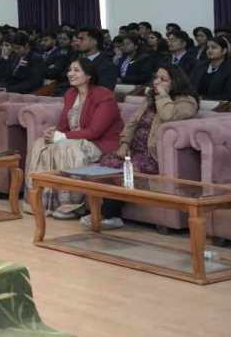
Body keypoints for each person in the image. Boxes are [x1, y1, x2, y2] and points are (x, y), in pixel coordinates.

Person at [84, 64, 199, 230]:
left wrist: (163, 95)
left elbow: (168, 115)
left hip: (153, 156)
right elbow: (133, 122)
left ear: (176, 82)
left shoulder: (186, 102)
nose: (157, 82)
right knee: (107, 163)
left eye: (163, 79)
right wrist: (124, 143)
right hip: (134, 151)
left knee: (125, 171)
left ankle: (108, 215)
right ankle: (108, 215)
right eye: (156, 78)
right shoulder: (150, 99)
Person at [25, 58, 122, 218]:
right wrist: (53, 132)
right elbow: (65, 125)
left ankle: (70, 206)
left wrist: (62, 136)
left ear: (89, 75)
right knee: (41, 143)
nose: (71, 74)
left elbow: (95, 131)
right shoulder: (71, 94)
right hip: (75, 139)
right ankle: (40, 202)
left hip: (100, 143)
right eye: (70, 70)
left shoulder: (104, 96)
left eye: (76, 70)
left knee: (65, 146)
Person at [190, 37, 231, 101]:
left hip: (218, 104)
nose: (209, 50)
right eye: (208, 48)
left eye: (214, 48)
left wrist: (205, 98)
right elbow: (190, 86)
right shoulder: (199, 66)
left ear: (224, 51)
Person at [73, 26, 118, 92]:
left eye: (81, 39)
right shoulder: (75, 60)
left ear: (94, 42)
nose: (77, 43)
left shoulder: (107, 65)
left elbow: (104, 91)